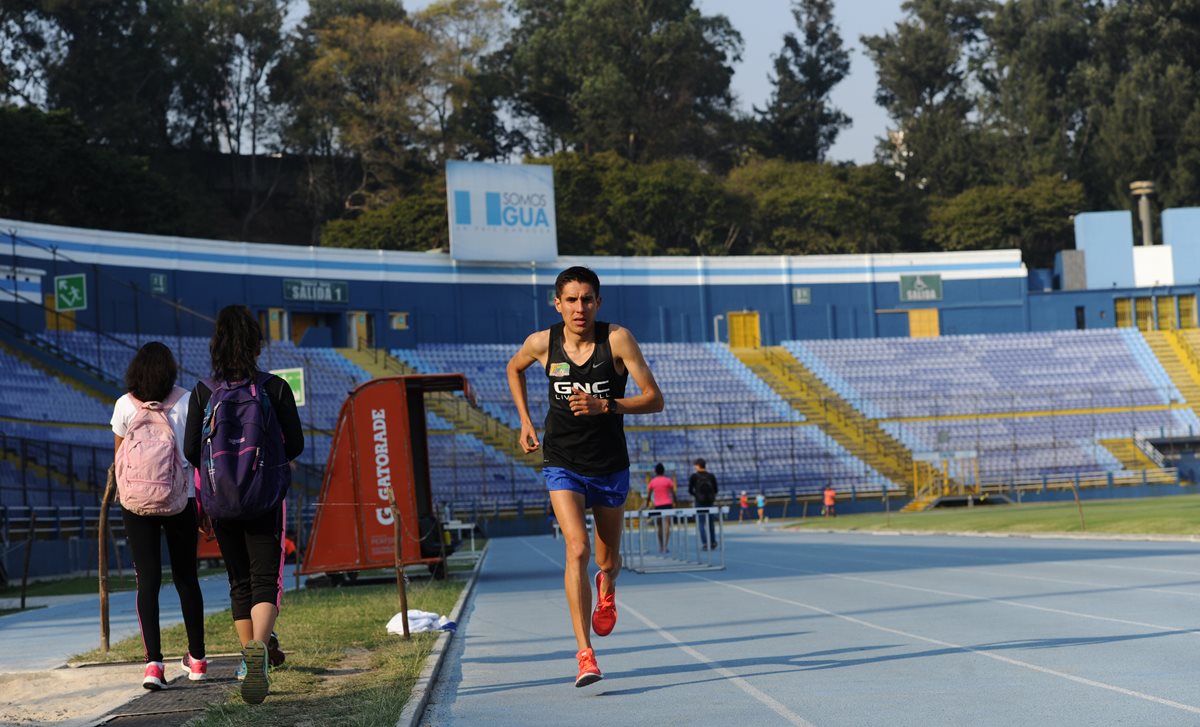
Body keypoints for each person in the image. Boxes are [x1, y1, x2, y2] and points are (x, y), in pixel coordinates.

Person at [507, 266, 664, 688]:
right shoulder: (542, 343)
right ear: (557, 304)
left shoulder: (617, 340)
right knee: (575, 547)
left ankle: (607, 586)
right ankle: (585, 654)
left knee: (606, 560)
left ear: (598, 302)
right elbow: (514, 368)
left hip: (610, 463)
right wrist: (524, 421)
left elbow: (655, 399)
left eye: (588, 299)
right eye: (572, 300)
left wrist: (607, 405)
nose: (580, 307)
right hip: (562, 461)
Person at [184, 305, 304, 705]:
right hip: (264, 496)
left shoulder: (203, 391)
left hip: (222, 500)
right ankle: (261, 652)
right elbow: (297, 443)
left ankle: (246, 657)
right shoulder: (276, 388)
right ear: (256, 344)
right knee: (266, 578)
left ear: (216, 344)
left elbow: (190, 451)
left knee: (239, 580)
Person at [111, 342, 206, 690]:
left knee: (147, 582)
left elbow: (120, 460)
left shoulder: (124, 404)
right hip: (181, 498)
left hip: (136, 503)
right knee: (186, 579)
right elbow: (195, 455)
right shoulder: (187, 400)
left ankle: (153, 665)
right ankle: (197, 661)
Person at [688, 458, 719, 549]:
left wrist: (696, 495)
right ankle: (713, 541)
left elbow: (690, 490)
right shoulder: (711, 476)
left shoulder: (694, 476)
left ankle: (705, 542)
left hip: (699, 501)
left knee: (701, 523)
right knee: (710, 523)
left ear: (698, 466)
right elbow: (716, 489)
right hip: (710, 501)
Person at [645, 463, 676, 553]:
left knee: (659, 526)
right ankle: (665, 546)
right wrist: (675, 502)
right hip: (667, 504)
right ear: (664, 471)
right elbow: (673, 492)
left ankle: (661, 545)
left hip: (658, 505)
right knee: (667, 525)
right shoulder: (668, 480)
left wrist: (647, 503)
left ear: (655, 472)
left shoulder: (653, 481)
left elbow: (649, 495)